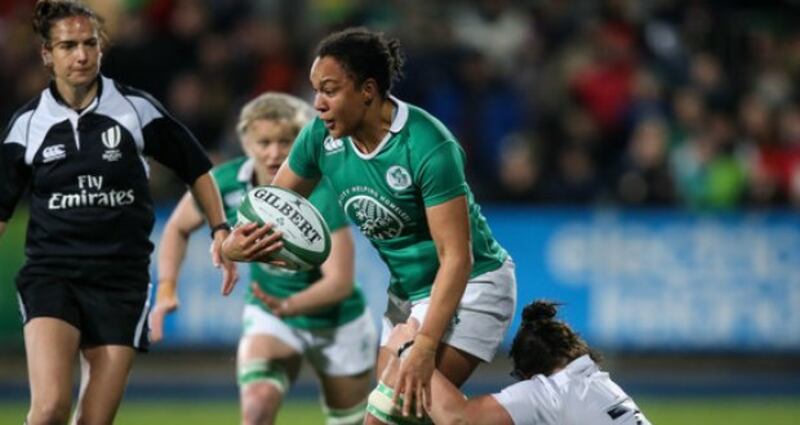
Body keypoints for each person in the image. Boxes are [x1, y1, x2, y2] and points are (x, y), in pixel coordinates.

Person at [222, 27, 517, 421]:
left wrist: (426, 344)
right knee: (409, 414)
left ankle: (539, 408)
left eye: (329, 89)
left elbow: (457, 257)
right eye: (315, 90)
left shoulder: (427, 145)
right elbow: (271, 209)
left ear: (367, 90)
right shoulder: (319, 139)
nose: (318, 104)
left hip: (470, 285)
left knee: (390, 417)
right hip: (407, 295)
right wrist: (233, 246)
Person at [0, 1, 233, 424]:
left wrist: (220, 228)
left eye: (90, 43)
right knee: (50, 406)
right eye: (68, 46)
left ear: (102, 49)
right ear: (47, 55)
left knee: (93, 420)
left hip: (121, 282)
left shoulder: (136, 110)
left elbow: (197, 168)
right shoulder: (27, 125)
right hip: (53, 274)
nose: (81, 55)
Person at [151, 92, 377, 425]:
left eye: (286, 141)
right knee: (257, 407)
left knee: (351, 421)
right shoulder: (224, 183)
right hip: (271, 314)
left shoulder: (320, 192)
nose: (273, 153)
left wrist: (290, 306)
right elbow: (177, 228)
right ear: (246, 142)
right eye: (264, 141)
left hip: (336, 321)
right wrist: (166, 287)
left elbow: (339, 282)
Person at [374, 301, 652, 425]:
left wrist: (409, 349)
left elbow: (460, 420)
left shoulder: (551, 392)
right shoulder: (598, 384)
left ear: (528, 375)